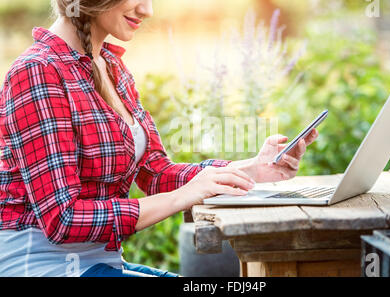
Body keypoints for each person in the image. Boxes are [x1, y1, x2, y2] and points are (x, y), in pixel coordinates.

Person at [0, 0, 318, 277]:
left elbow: (155, 173)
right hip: (43, 266)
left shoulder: (112, 66)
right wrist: (184, 197)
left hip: (101, 262)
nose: (147, 10)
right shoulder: (38, 71)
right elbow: (63, 219)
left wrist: (250, 170)